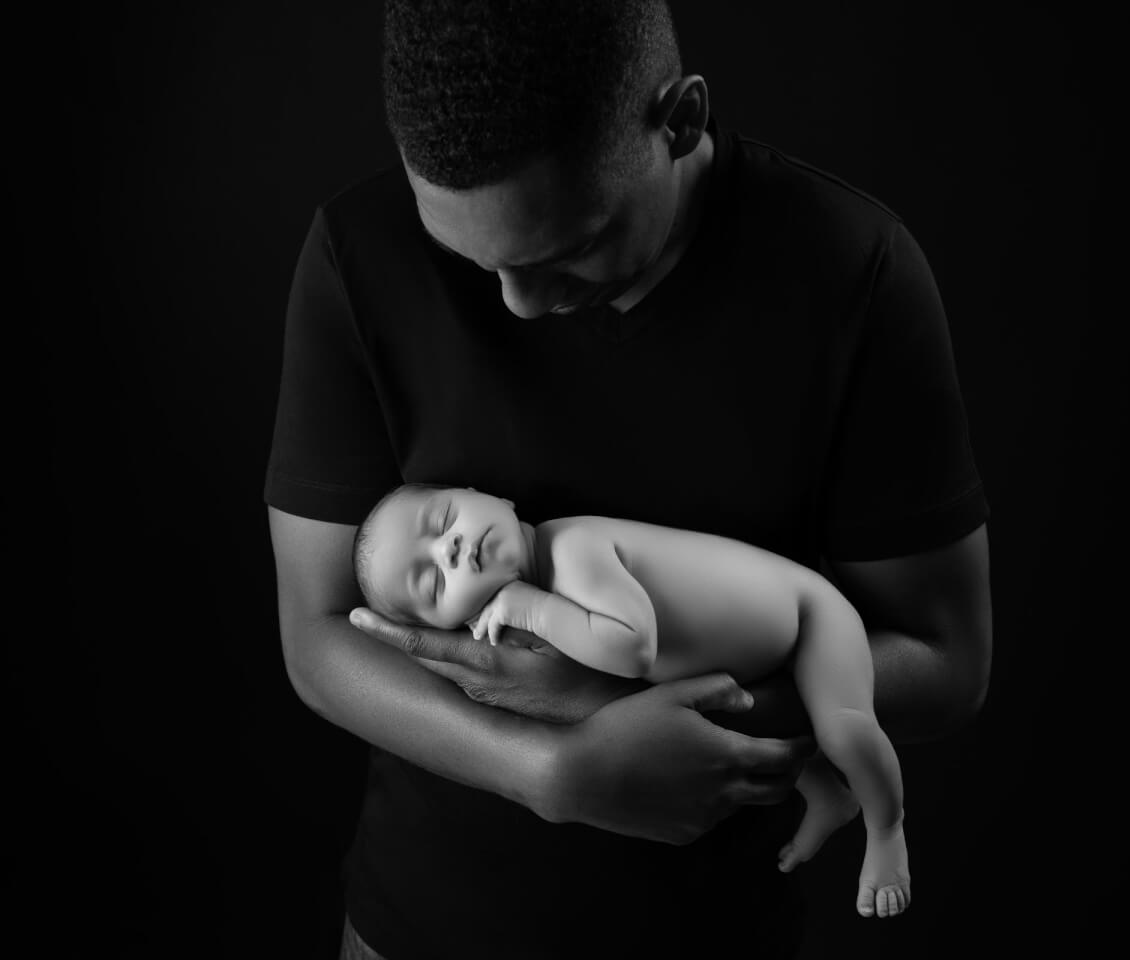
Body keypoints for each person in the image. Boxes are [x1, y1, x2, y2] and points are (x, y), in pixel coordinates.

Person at [264, 1, 993, 957]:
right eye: (466, 257)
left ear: (680, 118)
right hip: (420, 928)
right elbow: (317, 633)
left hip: (715, 929)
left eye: (568, 247)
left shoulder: (852, 271)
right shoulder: (358, 252)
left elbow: (947, 661)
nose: (517, 304)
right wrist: (551, 771)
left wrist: (634, 703)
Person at [354, 482, 912, 917]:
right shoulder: (551, 584)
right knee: (767, 733)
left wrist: (529, 610)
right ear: (457, 625)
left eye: (445, 519)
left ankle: (887, 829)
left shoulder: (571, 549)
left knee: (841, 727)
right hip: (761, 662)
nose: (448, 547)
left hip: (810, 620)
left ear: (494, 499)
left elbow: (633, 648)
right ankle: (831, 798)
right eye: (432, 582)